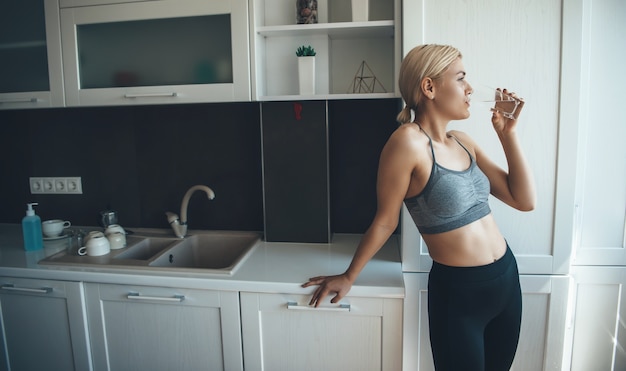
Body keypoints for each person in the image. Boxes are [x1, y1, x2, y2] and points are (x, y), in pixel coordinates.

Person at [302, 44, 536, 370]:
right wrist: (349, 275)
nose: (470, 89)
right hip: (460, 295)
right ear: (429, 87)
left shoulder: (464, 142)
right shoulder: (407, 143)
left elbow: (524, 201)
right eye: (461, 78)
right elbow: (385, 221)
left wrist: (508, 135)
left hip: (507, 281)